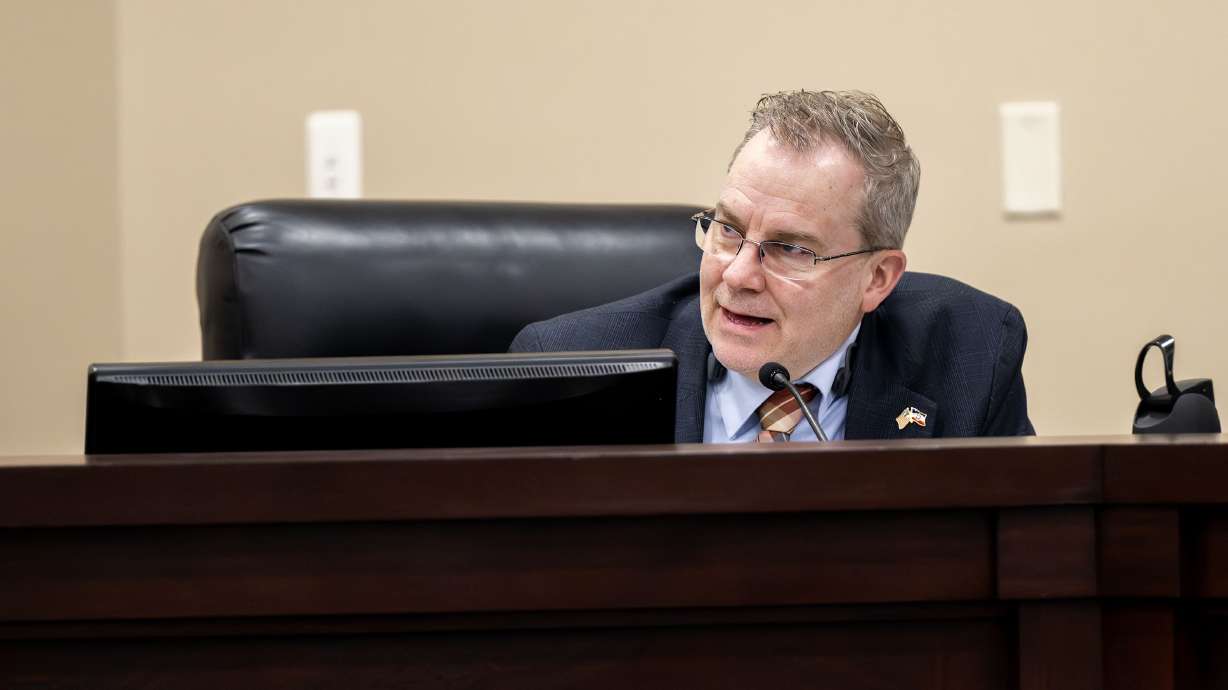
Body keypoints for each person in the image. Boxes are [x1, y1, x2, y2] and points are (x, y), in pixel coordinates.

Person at [510, 90, 1034, 442]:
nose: (737, 276)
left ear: (877, 279)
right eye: (728, 229)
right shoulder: (565, 371)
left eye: (790, 249)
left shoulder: (970, 353)